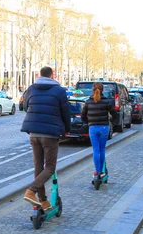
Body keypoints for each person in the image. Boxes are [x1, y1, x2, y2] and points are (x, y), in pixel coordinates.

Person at [21, 66, 71, 210]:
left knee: (38, 167)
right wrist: (67, 129)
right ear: (52, 75)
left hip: (33, 132)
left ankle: (43, 201)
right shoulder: (59, 91)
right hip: (50, 133)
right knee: (50, 167)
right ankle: (31, 191)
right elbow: (65, 112)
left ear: (39, 75)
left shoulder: (31, 89)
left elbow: (25, 106)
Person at [81, 82, 117, 182]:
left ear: (93, 90)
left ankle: (97, 171)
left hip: (92, 128)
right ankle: (102, 171)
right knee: (102, 150)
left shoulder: (88, 102)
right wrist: (112, 123)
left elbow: (83, 116)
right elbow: (114, 114)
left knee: (96, 150)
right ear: (102, 90)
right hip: (104, 127)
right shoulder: (107, 102)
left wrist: (88, 122)